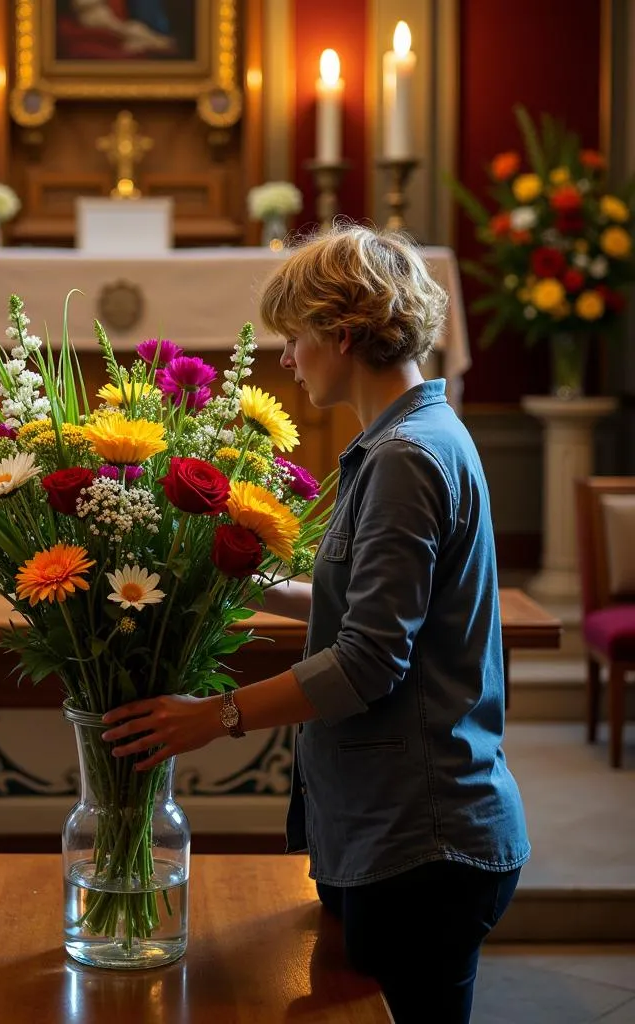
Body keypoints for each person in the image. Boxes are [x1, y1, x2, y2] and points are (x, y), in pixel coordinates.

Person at [101, 223, 530, 1024]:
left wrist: (214, 718)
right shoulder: (408, 439)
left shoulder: (407, 458)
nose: (286, 359)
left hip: (422, 835)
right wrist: (235, 581)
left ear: (341, 331)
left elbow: (368, 660)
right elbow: (357, 606)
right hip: (397, 826)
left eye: (294, 337)